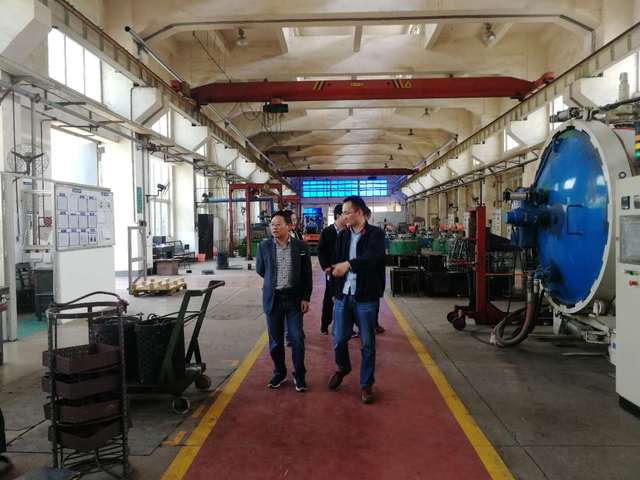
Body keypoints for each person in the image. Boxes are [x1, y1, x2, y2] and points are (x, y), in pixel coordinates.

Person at [329, 196, 385, 404]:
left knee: (367, 343)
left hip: (366, 296)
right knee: (338, 338)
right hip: (343, 294)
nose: (344, 216)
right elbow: (336, 261)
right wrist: (335, 290)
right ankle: (343, 367)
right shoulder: (343, 235)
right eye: (342, 213)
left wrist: (349, 264)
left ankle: (366, 384)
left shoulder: (375, 234)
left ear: (360, 212)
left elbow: (372, 258)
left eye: (347, 212)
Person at [256, 210, 312, 392]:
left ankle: (299, 375)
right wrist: (273, 281)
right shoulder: (264, 246)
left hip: (294, 299)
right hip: (273, 299)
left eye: (278, 224)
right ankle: (279, 372)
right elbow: (261, 270)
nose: (274, 227)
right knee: (275, 341)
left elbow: (306, 274)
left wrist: (306, 297)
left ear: (289, 226)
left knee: (297, 338)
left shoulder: (300, 247)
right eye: (272, 224)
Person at [317, 204, 347, 335]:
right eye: (345, 214)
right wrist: (326, 267)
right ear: (338, 215)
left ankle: (348, 327)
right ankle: (324, 325)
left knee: (346, 298)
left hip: (346, 270)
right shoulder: (327, 232)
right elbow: (321, 250)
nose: (347, 217)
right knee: (329, 297)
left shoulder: (348, 232)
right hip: (332, 270)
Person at [363, 206, 386, 335]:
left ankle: (374, 324)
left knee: (374, 303)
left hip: (373, 276)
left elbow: (379, 257)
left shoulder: (376, 233)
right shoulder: (348, 234)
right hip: (359, 277)